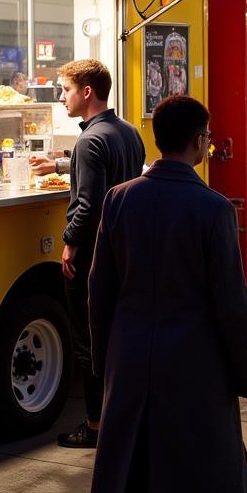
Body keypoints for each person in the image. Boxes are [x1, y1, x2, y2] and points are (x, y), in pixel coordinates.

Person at [88, 96, 247, 493]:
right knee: (193, 484)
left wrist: (102, 360)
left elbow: (99, 289)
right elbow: (231, 305)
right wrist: (244, 373)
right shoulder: (212, 209)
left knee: (140, 484)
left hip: (132, 360)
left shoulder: (119, 200)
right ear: (199, 141)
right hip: (196, 366)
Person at [31, 59, 145, 448]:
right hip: (125, 251)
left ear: (87, 92)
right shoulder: (128, 132)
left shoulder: (89, 140)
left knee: (89, 342)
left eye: (64, 89)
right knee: (116, 338)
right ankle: (122, 416)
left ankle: (95, 426)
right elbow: (107, 170)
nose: (61, 97)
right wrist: (62, 164)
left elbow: (88, 202)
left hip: (94, 254)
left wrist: (70, 241)